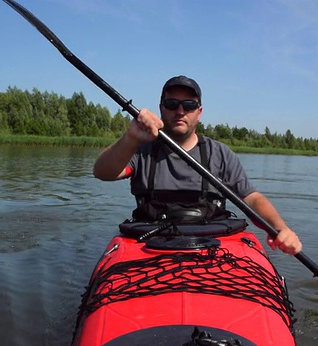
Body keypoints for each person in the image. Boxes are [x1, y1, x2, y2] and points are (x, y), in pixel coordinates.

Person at [93, 75, 302, 255]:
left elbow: (252, 198)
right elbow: (103, 172)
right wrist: (130, 138)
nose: (180, 111)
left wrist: (280, 228)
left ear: (199, 112)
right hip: (151, 243)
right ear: (161, 109)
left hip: (212, 243)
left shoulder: (220, 153)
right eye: (172, 104)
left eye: (189, 105)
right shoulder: (140, 150)